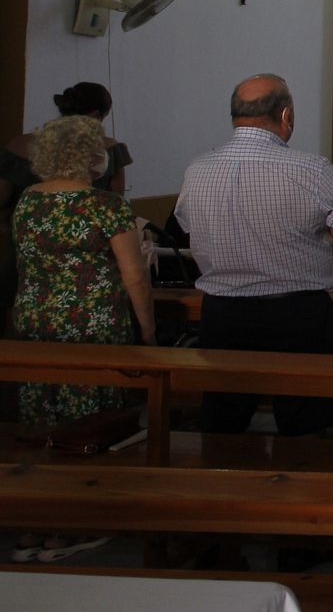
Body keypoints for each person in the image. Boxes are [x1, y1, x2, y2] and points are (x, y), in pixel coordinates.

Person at [176, 74, 333, 434]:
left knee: (223, 419)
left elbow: (188, 229)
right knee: (305, 421)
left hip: (223, 311)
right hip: (297, 312)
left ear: (234, 116)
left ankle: (220, 481)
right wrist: (311, 258)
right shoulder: (312, 169)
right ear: (286, 114)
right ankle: (303, 484)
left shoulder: (197, 170)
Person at [9, 113, 154, 563]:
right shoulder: (104, 206)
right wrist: (148, 334)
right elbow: (134, 277)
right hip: (91, 324)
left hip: (35, 323)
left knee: (42, 423)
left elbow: (24, 264)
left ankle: (34, 524)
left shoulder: (27, 201)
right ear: (90, 155)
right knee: (90, 424)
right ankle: (76, 522)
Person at [1, 82, 132, 328]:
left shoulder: (20, 145)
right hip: (90, 261)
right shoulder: (109, 149)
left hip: (27, 252)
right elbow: (118, 198)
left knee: (16, 306)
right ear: (95, 115)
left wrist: (9, 223)